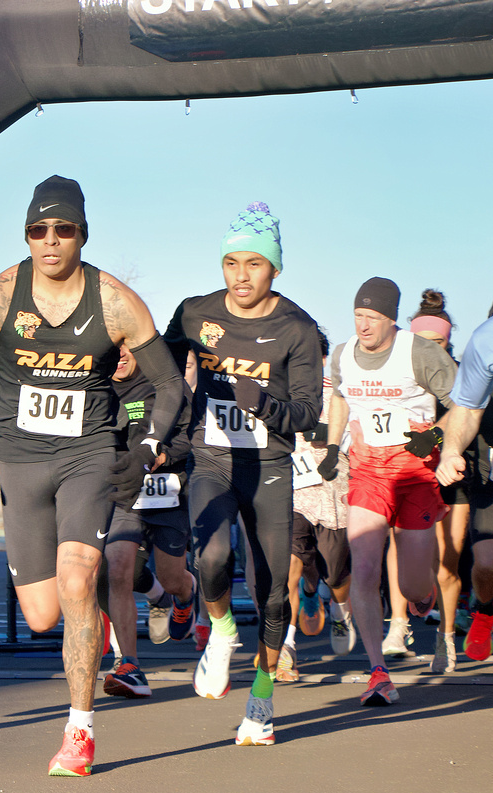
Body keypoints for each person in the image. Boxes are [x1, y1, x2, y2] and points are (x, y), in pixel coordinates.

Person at [0, 175, 185, 777]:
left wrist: (146, 446)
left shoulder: (116, 303)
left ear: (82, 234)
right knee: (43, 615)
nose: (49, 241)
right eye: (37, 231)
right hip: (21, 463)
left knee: (77, 580)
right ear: (26, 235)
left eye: (63, 230)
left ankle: (79, 730)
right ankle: (94, 613)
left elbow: (171, 384)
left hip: (88, 455)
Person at [164, 202, 323, 746]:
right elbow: (161, 362)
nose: (240, 275)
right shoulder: (195, 312)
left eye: (253, 264)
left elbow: (307, 414)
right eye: (231, 263)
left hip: (269, 464)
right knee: (209, 555)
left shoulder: (296, 329)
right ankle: (223, 632)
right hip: (210, 453)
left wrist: (265, 403)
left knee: (273, 592)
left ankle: (261, 698)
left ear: (274, 267)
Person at [319, 277, 456, 705]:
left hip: (414, 469)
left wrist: (433, 436)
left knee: (412, 584)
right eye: (358, 316)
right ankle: (377, 670)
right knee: (364, 566)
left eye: (373, 318)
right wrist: (330, 446)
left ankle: (423, 597)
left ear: (392, 320)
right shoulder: (343, 354)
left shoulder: (420, 352)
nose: (363, 325)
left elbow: (464, 405)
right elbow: (340, 398)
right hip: (367, 470)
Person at [102, 341, 196, 699]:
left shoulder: (168, 384)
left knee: (173, 579)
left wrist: (162, 455)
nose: (120, 355)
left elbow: (192, 437)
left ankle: (185, 596)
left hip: (167, 490)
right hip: (125, 493)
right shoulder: (98, 385)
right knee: (119, 568)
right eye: (114, 348)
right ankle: (129, 663)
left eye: (127, 347)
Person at [282, 328, 354, 683]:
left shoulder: (340, 393)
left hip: (333, 495)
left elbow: (354, 436)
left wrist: (327, 436)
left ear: (322, 357)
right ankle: (287, 649)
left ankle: (339, 609)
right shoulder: (281, 392)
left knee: (336, 574)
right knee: (290, 569)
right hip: (294, 494)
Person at [409, 289, 467, 673]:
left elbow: (471, 419)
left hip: (457, 474)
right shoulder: (402, 376)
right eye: (423, 343)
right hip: (417, 475)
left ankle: (445, 641)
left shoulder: (464, 375)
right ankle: (422, 595)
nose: (432, 350)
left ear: (449, 343)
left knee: (450, 563)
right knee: (430, 565)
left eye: (439, 343)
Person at [436, 305, 493, 664]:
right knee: (486, 564)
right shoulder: (486, 339)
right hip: (491, 469)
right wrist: (451, 450)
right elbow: (467, 409)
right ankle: (485, 609)